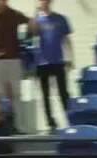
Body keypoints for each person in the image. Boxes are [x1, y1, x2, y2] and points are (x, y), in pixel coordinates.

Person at [31, 0, 73, 131]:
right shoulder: (37, 20)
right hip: (42, 62)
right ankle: (50, 122)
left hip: (58, 60)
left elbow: (66, 40)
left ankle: (70, 118)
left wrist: (70, 58)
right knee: (45, 94)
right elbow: (33, 33)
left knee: (63, 92)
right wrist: (36, 13)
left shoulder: (60, 19)